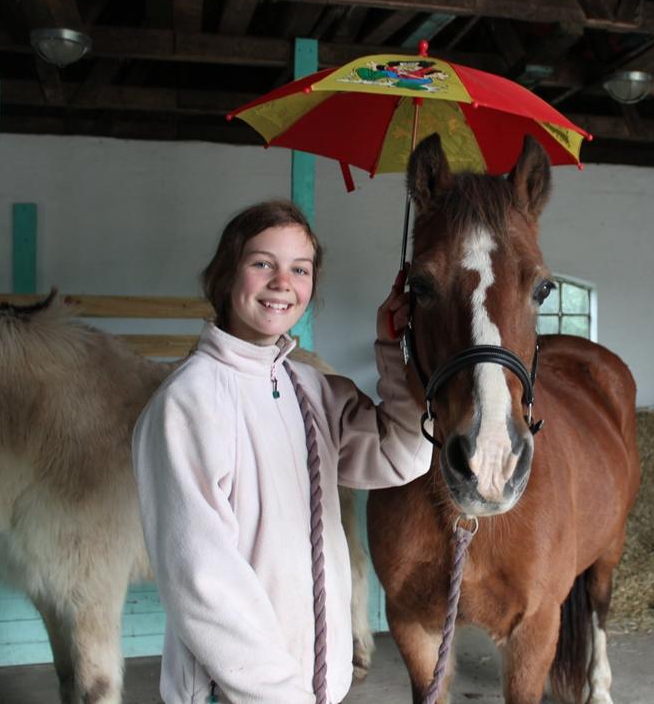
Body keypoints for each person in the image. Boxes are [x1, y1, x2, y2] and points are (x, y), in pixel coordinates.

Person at [132, 199, 430, 704]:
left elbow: (402, 453)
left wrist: (392, 349)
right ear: (226, 276)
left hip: (314, 688)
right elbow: (203, 584)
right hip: (238, 694)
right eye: (262, 263)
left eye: (300, 269)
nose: (282, 283)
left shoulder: (309, 389)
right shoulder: (189, 401)